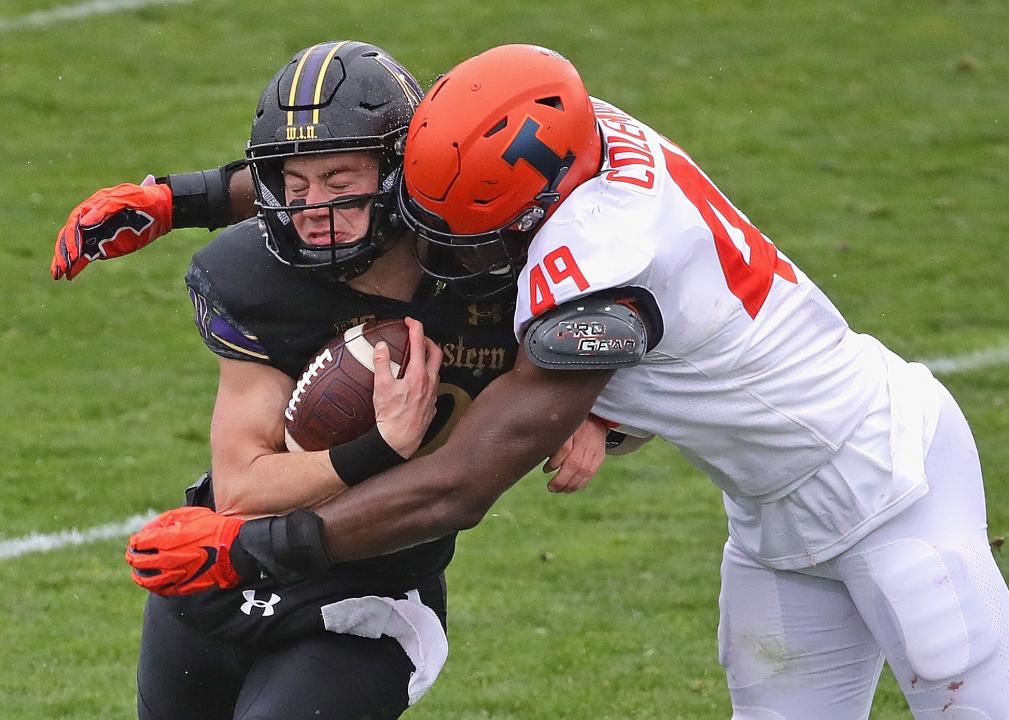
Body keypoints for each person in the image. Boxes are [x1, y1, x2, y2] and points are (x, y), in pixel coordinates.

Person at [123, 44, 1009, 718]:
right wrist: (194, 197)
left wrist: (255, 550)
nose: (434, 246)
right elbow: (397, 156)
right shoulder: (568, 125)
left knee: (964, 690)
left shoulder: (603, 268)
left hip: (888, 478)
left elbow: (462, 483)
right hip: (772, 516)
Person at [54, 41, 607, 720]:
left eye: (342, 184)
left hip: (371, 598)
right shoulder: (256, 280)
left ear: (404, 173)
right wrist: (378, 446)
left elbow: (615, 331)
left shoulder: (497, 262)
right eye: (294, 187)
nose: (312, 209)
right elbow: (244, 488)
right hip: (219, 571)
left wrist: (594, 409)